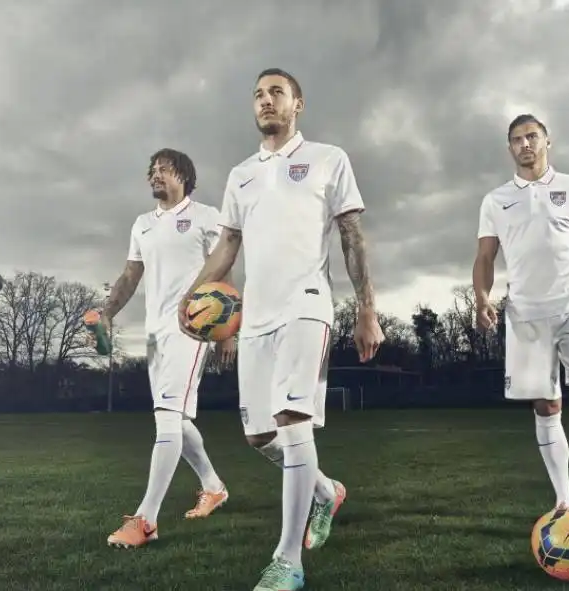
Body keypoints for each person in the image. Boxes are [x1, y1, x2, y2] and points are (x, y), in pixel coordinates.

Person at [178, 68, 384, 590]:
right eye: (258, 95)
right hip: (255, 317)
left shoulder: (328, 159)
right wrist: (194, 298)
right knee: (259, 436)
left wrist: (367, 309)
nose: (266, 101)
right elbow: (227, 245)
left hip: (307, 305)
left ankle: (287, 561)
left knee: (293, 421)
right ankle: (325, 492)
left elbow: (353, 235)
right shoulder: (241, 174)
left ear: (298, 104)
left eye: (277, 92)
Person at [472, 114, 569, 550]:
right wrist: (482, 298)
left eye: (532, 137)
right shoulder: (495, 200)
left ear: (547, 142)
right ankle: (565, 502)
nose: (525, 145)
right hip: (525, 311)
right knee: (546, 404)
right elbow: (485, 257)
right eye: (517, 140)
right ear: (510, 149)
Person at [100, 148, 236, 549]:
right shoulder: (142, 224)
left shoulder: (207, 216)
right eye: (152, 171)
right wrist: (108, 311)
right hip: (156, 333)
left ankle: (146, 520)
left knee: (166, 417)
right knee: (175, 419)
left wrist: (229, 329)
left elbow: (225, 267)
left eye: (164, 169)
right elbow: (129, 275)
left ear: (184, 175)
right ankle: (214, 486)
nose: (155, 175)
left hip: (192, 328)